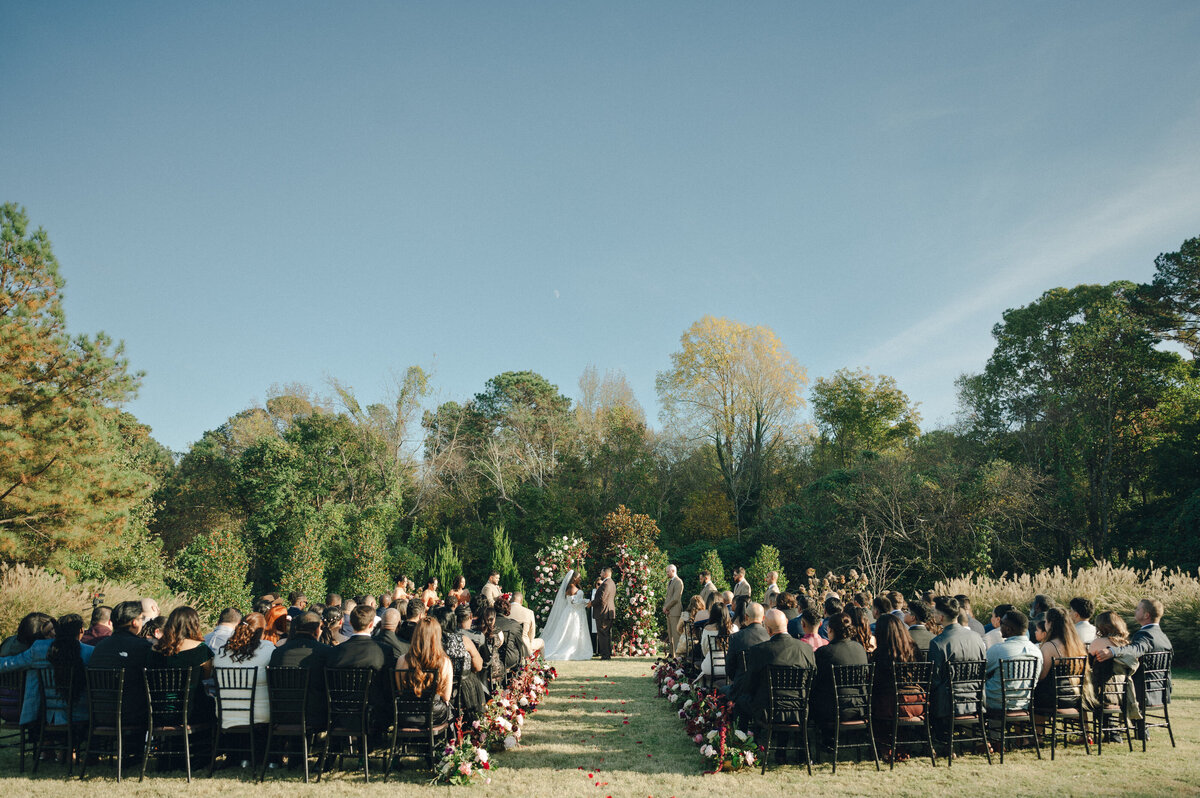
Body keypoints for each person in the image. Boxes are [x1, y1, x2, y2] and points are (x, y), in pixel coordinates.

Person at [0, 613, 93, 735]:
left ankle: (50, 751)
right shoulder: (90, 652)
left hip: (46, 716)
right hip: (82, 715)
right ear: (81, 630)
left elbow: (7, 664)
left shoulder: (39, 648)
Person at [1093, 597, 1173, 736]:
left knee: (1109, 686)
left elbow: (1135, 650)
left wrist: (1112, 651)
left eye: (1138, 609)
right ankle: (1136, 729)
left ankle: (1113, 731)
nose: (1135, 611)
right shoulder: (1163, 636)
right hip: (1161, 690)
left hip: (1142, 691)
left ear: (1146, 615)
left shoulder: (1145, 635)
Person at [728, 609, 815, 730]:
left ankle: (743, 741)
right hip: (800, 709)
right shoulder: (806, 649)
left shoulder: (759, 650)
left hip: (768, 710)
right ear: (787, 623)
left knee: (741, 702)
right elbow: (813, 680)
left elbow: (749, 685)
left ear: (767, 630)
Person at [928, 596, 986, 743]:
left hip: (948, 702)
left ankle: (939, 740)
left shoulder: (938, 643)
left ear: (940, 617)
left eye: (934, 612)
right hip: (975, 698)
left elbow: (934, 679)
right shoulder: (976, 637)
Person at [89, 601, 153, 730]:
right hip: (132, 715)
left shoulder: (99, 647)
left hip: (100, 714)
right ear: (134, 622)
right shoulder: (143, 647)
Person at [147, 606, 216, 725]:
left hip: (157, 712)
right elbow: (206, 677)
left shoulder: (154, 650)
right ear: (194, 624)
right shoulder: (201, 650)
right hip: (191, 712)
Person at [269, 611, 332, 730]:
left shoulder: (278, 652)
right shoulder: (326, 652)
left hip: (281, 714)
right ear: (317, 630)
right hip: (314, 715)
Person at [812, 611, 870, 741]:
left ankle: (826, 738)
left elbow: (817, 681)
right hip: (861, 705)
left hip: (833, 709)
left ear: (830, 630)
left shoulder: (824, 652)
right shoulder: (860, 648)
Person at [212, 612, 274, 729]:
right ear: (261, 631)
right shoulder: (267, 649)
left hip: (224, 716)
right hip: (260, 716)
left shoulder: (221, 653)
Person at [871, 614, 921, 759]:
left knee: (876, 702)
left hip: (893, 705)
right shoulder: (914, 650)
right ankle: (902, 744)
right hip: (918, 702)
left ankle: (887, 746)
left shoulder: (880, 654)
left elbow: (877, 684)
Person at [394, 617, 453, 727]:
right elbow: (446, 697)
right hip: (434, 715)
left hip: (406, 713)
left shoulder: (402, 660)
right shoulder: (445, 663)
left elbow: (400, 691)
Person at [1087, 611, 1141, 726]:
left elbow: (1087, 665)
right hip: (1124, 692)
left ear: (1101, 627)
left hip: (1102, 693)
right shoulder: (1126, 645)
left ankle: (1086, 731)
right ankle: (1113, 730)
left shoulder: (1098, 642)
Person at [434, 606, 487, 715]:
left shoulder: (431, 641)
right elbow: (478, 666)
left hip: (437, 688)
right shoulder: (463, 640)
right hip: (464, 689)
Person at [984, 610, 1042, 711]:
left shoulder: (998, 649)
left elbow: (980, 671)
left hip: (996, 702)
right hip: (1024, 702)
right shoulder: (1037, 652)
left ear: (1008, 629)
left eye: (1001, 623)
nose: (999, 626)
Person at [1033, 607, 1087, 712]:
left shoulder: (1050, 646)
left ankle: (1037, 728)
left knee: (1034, 697)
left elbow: (1041, 676)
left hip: (1053, 699)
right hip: (1076, 696)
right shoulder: (1077, 644)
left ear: (1050, 623)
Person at [541, 570, 593, 661]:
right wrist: (586, 602)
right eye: (579, 577)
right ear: (574, 578)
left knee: (575, 631)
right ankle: (572, 650)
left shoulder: (572, 587)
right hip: (574, 613)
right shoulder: (572, 588)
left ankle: (578, 649)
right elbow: (574, 603)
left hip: (576, 612)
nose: (580, 579)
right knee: (573, 631)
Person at [726, 602, 768, 684]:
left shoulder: (736, 637)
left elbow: (729, 668)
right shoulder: (770, 637)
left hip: (741, 686)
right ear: (763, 618)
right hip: (764, 686)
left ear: (746, 617)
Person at [696, 603, 737, 683]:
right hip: (730, 667)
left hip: (710, 666)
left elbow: (704, 650)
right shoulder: (734, 628)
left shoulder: (707, 629)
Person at [492, 597, 528, 672]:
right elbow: (519, 645)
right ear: (507, 611)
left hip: (492, 659)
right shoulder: (514, 625)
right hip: (510, 659)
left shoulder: (488, 624)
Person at [591, 567, 617, 660]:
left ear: (605, 573)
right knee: (606, 635)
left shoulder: (606, 584)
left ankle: (605, 655)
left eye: (601, 572)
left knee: (602, 634)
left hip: (603, 612)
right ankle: (607, 654)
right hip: (608, 611)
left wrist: (591, 603)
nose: (600, 574)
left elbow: (602, 599)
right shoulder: (612, 583)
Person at [662, 564, 684, 655]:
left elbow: (675, 598)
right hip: (670, 612)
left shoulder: (678, 582)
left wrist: (666, 607)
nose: (667, 573)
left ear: (673, 571)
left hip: (675, 612)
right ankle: (672, 655)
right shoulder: (670, 582)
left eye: (668, 571)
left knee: (676, 635)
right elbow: (669, 597)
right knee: (670, 635)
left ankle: (678, 656)